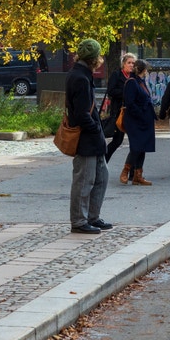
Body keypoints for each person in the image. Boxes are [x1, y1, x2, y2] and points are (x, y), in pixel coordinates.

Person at [66, 40, 111, 234]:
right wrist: (95, 130)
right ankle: (79, 221)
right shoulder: (80, 78)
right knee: (84, 181)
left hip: (92, 139)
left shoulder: (81, 75)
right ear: (95, 59)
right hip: (86, 139)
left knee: (101, 177)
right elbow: (82, 114)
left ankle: (92, 217)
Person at [120, 59, 159, 185]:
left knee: (143, 147)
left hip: (144, 121)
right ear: (143, 70)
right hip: (136, 121)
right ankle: (126, 171)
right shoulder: (132, 82)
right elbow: (130, 103)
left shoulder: (140, 82)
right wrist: (141, 115)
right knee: (136, 146)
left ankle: (138, 175)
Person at [103, 52, 136, 163]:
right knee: (117, 141)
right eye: (129, 63)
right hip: (119, 112)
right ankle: (103, 161)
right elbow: (111, 91)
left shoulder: (134, 77)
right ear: (123, 64)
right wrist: (126, 92)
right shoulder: (117, 75)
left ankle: (132, 171)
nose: (131, 65)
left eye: (133, 63)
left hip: (132, 113)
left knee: (136, 142)